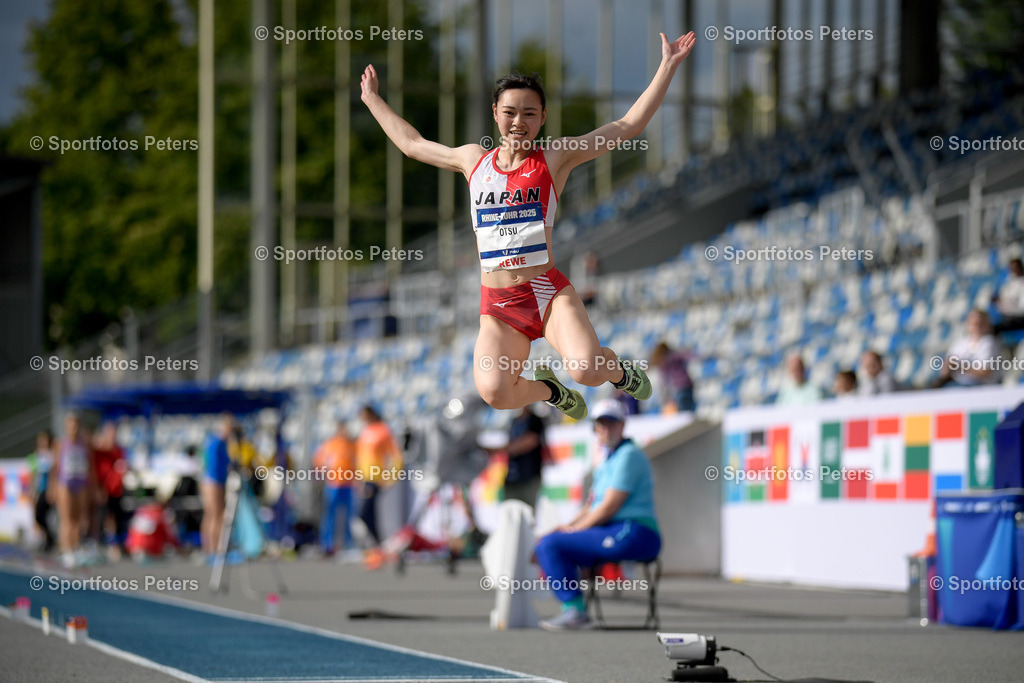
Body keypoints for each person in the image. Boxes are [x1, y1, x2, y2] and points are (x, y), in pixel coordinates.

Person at [359, 31, 697, 420]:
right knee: (495, 391)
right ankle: (549, 390)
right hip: (499, 307)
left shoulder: (554, 157)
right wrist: (372, 99)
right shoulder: (473, 160)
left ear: (543, 117)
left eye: (529, 113)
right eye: (510, 112)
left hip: (546, 293)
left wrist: (667, 66)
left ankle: (620, 371)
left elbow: (626, 127)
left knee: (586, 369)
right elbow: (413, 143)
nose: (518, 122)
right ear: (495, 113)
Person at [534, 399, 661, 631]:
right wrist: (565, 529)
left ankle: (575, 611)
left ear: (622, 425)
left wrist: (570, 531)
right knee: (550, 542)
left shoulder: (628, 455)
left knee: (551, 545)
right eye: (600, 424)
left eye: (611, 423)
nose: (604, 429)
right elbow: (590, 506)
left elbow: (609, 507)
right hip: (617, 530)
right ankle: (574, 609)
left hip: (635, 532)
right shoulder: (609, 458)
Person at [356, 405, 403, 548]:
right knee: (369, 512)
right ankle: (377, 543)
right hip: (365, 478)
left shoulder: (383, 430)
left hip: (375, 478)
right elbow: (361, 458)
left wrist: (391, 476)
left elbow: (395, 455)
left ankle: (377, 542)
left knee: (365, 513)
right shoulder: (366, 431)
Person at [52, 413, 95, 568]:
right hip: (65, 483)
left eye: (76, 425)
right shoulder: (61, 444)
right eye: (71, 425)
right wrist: (53, 488)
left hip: (81, 483)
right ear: (66, 427)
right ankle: (66, 550)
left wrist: (93, 487)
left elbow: (91, 467)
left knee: (79, 519)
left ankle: (75, 548)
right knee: (67, 519)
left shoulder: (85, 444)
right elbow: (55, 468)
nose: (74, 428)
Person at [313, 421, 358, 555]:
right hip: (333, 484)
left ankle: (348, 543)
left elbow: (357, 463)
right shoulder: (329, 445)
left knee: (349, 516)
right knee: (330, 515)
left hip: (348, 485)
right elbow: (319, 462)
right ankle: (327, 543)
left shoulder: (352, 445)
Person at [932, 309, 1004, 387]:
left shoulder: (989, 342)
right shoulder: (960, 342)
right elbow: (945, 370)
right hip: (958, 384)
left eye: (980, 323)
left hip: (981, 387)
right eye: (974, 323)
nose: (976, 326)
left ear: (987, 324)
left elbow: (985, 372)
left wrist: (959, 367)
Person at [200, 414, 235, 558]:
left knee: (213, 515)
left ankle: (211, 547)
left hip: (216, 480)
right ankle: (214, 547)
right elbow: (213, 465)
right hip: (214, 481)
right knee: (216, 514)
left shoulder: (222, 443)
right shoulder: (216, 443)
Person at [91, 422, 129, 553]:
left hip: (115, 490)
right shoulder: (99, 451)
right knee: (101, 517)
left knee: (118, 517)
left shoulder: (118, 451)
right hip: (102, 489)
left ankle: (118, 544)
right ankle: (100, 543)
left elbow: (122, 468)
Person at [503, 406, 546, 507]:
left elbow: (530, 441)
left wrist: (505, 449)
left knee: (528, 512)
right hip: (512, 477)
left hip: (529, 477)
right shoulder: (513, 421)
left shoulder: (535, 420)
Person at [27, 430, 56, 552]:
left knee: (45, 514)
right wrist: (31, 490)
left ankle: (50, 539)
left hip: (48, 490)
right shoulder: (36, 455)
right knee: (38, 516)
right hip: (39, 490)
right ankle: (48, 538)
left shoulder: (52, 454)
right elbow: (33, 475)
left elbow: (53, 474)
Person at [650, 342, 696, 412]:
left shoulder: (664, 361)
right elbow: (690, 356)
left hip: (678, 387)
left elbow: (664, 381)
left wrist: (665, 397)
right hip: (688, 384)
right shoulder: (675, 355)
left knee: (683, 413)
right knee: (689, 411)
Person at [992, 258, 1024, 333]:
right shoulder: (1009, 281)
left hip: (1020, 318)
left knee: (992, 329)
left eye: (1016, 267)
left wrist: (1004, 304)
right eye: (1011, 268)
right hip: (1008, 317)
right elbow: (1003, 299)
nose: (1013, 270)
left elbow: (1020, 308)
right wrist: (999, 302)